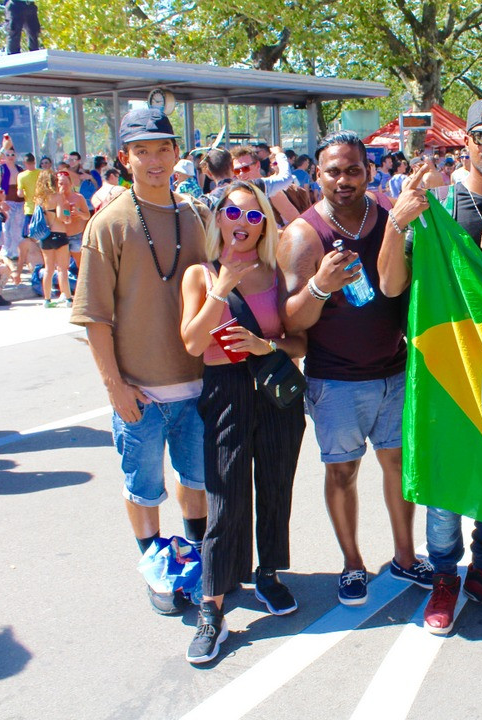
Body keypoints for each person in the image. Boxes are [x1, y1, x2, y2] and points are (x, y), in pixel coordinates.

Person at [380, 99, 482, 635]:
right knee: (448, 479)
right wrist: (393, 224)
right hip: (445, 368)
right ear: (467, 142)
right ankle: (446, 576)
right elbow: (389, 285)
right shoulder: (437, 208)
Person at [276, 131, 430, 609]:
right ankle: (352, 564)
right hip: (335, 382)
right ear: (316, 174)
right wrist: (320, 286)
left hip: (395, 373)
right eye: (333, 171)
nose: (343, 180)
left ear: (369, 171)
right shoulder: (302, 234)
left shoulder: (390, 219)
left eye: (353, 170)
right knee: (342, 473)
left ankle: (406, 556)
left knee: (399, 468)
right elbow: (292, 321)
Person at [70, 107, 210, 615]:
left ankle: (198, 562)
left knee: (196, 484)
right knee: (144, 489)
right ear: (125, 159)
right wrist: (115, 387)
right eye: (142, 151)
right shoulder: (108, 224)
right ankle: (157, 573)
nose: (154, 160)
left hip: (199, 386)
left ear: (177, 153)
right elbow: (93, 318)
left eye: (162, 149)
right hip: (140, 393)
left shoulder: (197, 214)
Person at [179, 180, 307, 663]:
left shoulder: (275, 272)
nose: (243, 224)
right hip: (226, 392)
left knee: (275, 486)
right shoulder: (200, 274)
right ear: (217, 220)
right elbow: (192, 343)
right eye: (233, 214)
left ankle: (268, 574)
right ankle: (211, 607)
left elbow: (301, 342)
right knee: (226, 496)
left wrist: (267, 347)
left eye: (255, 217)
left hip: (276, 391)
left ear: (265, 225)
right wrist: (222, 288)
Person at [34, 170, 72, 307]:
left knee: (48, 268)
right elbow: (61, 216)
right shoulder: (57, 197)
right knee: (62, 268)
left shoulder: (39, 199)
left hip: (45, 236)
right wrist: (67, 216)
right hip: (59, 233)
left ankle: (47, 299)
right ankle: (67, 298)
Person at [15, 152, 41, 284]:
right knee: (40, 237)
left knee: (27, 238)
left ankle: (32, 267)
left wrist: (25, 192)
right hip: (41, 208)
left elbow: (19, 193)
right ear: (34, 161)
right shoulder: (40, 173)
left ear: (25, 163)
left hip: (30, 209)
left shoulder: (21, 175)